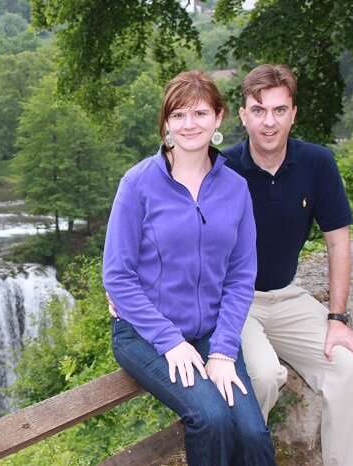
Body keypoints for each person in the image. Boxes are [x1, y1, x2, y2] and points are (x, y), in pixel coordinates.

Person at [103, 70, 276, 466]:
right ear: (166, 124)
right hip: (144, 334)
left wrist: (223, 350)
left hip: (210, 333)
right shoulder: (138, 184)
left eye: (199, 113)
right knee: (211, 418)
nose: (189, 124)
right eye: (178, 115)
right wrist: (170, 341)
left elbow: (240, 275)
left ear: (218, 118)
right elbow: (117, 275)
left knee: (251, 431)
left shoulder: (235, 188)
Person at [223, 64, 353, 466]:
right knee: (264, 375)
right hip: (237, 301)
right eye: (258, 110)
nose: (268, 122)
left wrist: (337, 318)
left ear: (293, 113)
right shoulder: (222, 168)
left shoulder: (317, 163)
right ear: (243, 115)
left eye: (278, 110)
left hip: (289, 297)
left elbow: (339, 242)